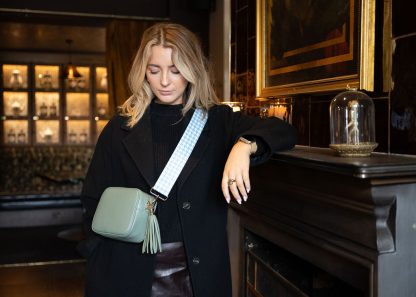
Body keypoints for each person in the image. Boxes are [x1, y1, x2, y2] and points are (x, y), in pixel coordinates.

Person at [78, 22, 297, 297]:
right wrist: (98, 253)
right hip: (126, 272)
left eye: (176, 70)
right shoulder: (121, 126)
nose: (165, 81)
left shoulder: (216, 121)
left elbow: (284, 130)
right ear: (143, 71)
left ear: (193, 69)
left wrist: (244, 145)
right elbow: (92, 201)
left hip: (196, 274)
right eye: (154, 70)